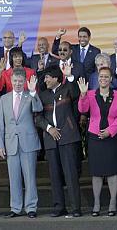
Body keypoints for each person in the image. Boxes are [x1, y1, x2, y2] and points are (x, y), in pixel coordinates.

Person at [78, 67, 117, 217]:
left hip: (111, 138)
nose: (103, 79)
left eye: (106, 77)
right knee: (97, 172)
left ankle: (112, 203)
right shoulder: (91, 94)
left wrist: (110, 131)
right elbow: (82, 109)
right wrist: (83, 94)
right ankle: (97, 203)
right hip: (95, 137)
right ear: (97, 78)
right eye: (101, 77)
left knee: (112, 171)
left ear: (111, 79)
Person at [35, 66, 82, 217]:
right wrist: (49, 128)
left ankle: (75, 208)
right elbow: (37, 117)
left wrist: (69, 76)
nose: (45, 80)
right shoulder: (42, 95)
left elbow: (76, 94)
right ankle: (59, 207)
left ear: (55, 78)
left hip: (68, 137)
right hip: (50, 140)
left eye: (48, 77)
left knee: (70, 174)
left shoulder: (67, 89)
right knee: (54, 176)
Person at [0, 69, 43, 218]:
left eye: (20, 81)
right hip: (10, 144)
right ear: (10, 81)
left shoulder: (30, 96)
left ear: (25, 82)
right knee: (13, 178)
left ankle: (31, 208)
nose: (17, 84)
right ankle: (15, 208)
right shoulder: (4, 99)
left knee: (29, 178)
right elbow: (0, 124)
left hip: (28, 142)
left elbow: (38, 108)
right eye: (15, 81)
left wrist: (34, 92)